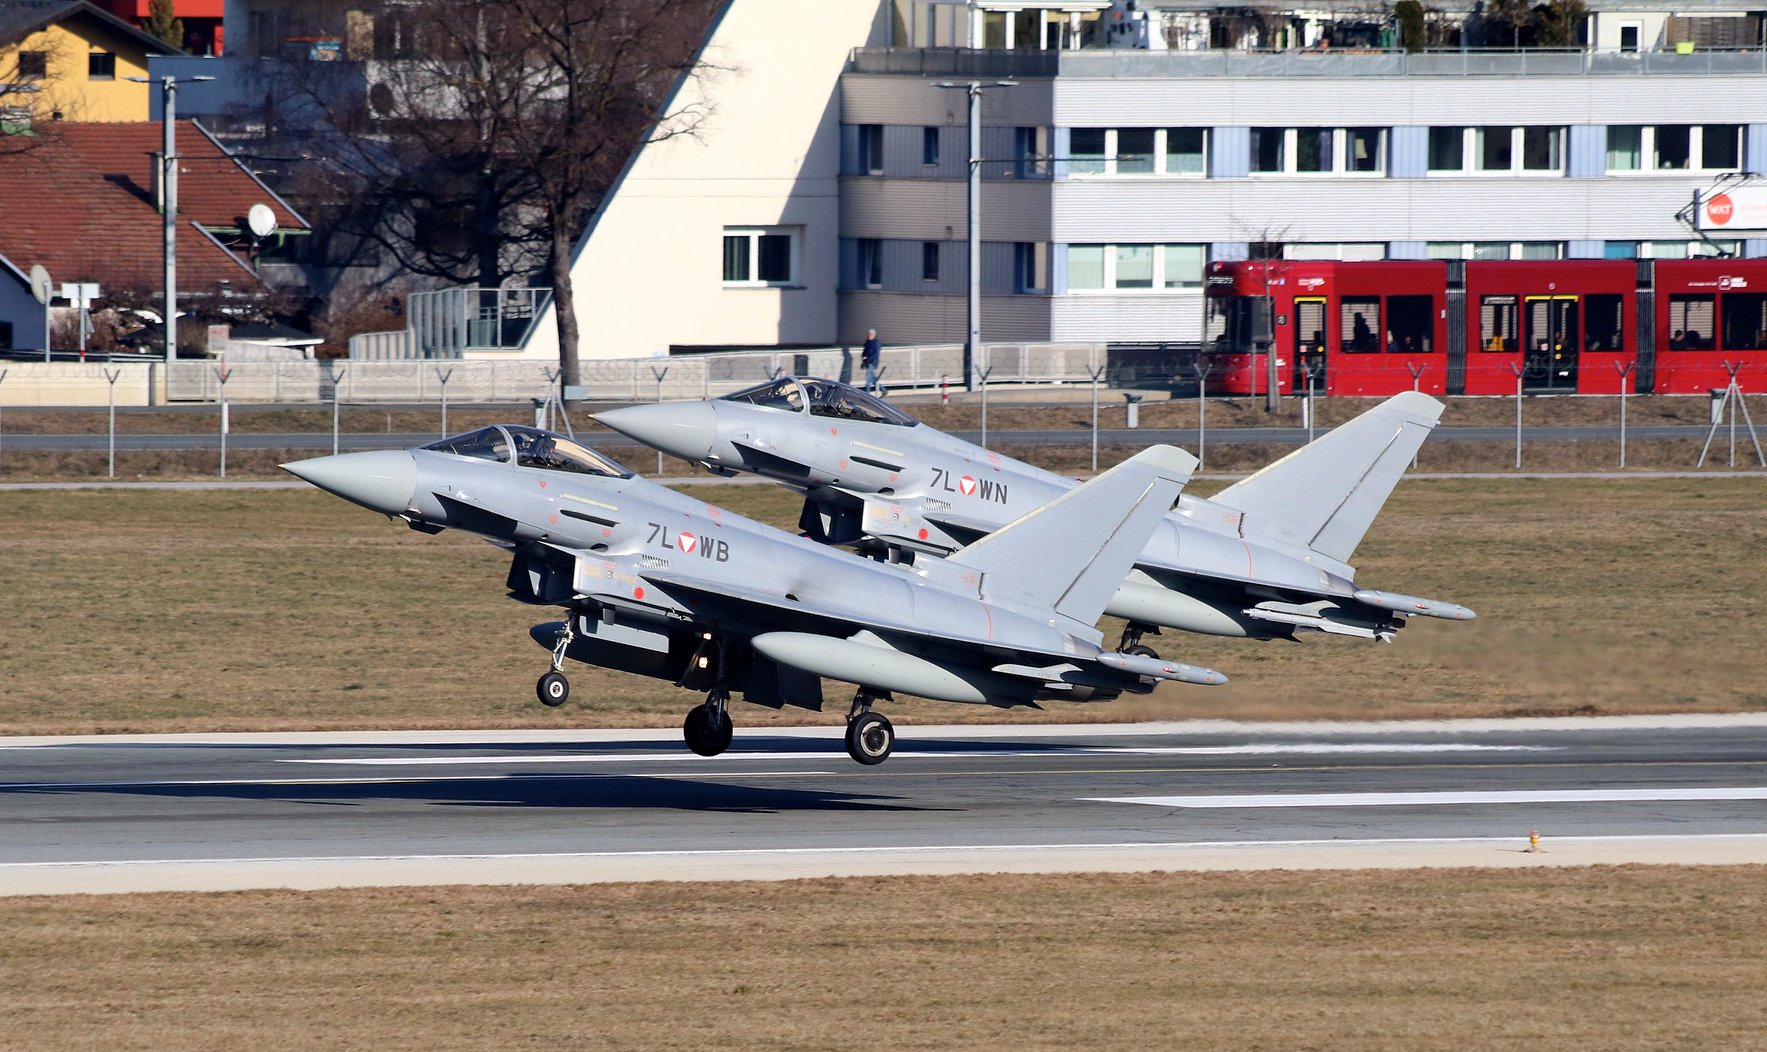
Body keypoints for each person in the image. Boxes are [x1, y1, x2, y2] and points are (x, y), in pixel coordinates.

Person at [862, 328, 882, 394]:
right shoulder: (867, 342)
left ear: (874, 335)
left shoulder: (876, 343)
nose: (869, 335)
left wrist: (868, 359)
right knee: (873, 378)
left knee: (868, 379)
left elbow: (876, 354)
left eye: (871, 334)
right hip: (868, 362)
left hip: (872, 362)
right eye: (868, 334)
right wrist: (863, 357)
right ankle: (883, 389)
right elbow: (864, 351)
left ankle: (866, 393)